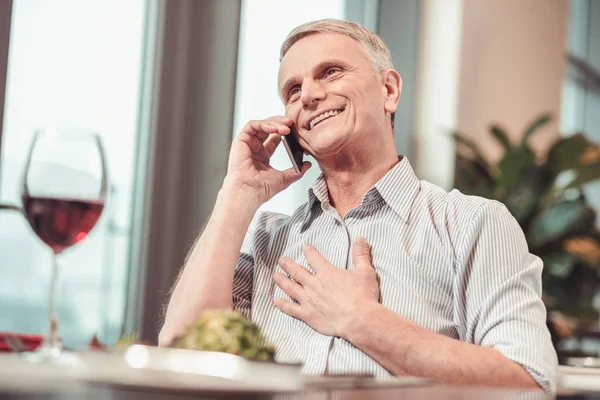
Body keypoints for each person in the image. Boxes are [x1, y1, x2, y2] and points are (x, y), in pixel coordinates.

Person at [159, 19, 557, 392]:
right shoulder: (268, 241)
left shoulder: (473, 223)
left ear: (389, 91)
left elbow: (528, 385)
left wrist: (361, 320)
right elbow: (182, 351)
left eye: (330, 72)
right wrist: (237, 194)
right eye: (292, 91)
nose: (310, 95)